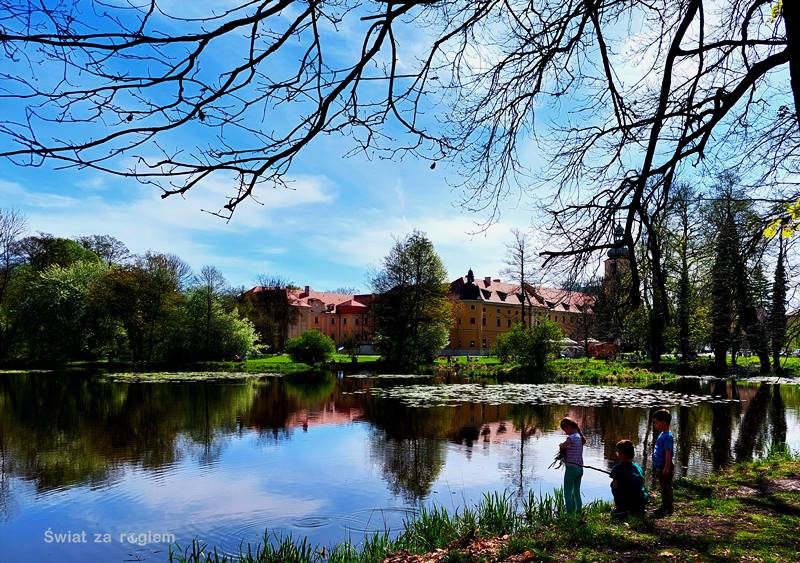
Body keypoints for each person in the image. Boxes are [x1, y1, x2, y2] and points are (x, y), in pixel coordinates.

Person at [609, 440, 647, 518]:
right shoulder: (639, 468)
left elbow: (615, 485)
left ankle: (621, 509)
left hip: (626, 503)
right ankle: (636, 509)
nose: (617, 454)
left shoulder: (617, 468)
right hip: (640, 501)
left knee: (612, 485)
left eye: (618, 452)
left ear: (622, 455)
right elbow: (643, 482)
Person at [559, 417, 587, 514]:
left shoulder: (572, 437)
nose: (566, 433)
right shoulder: (579, 436)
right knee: (576, 491)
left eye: (565, 429)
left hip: (571, 469)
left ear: (570, 426)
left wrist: (561, 445)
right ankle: (579, 511)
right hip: (580, 469)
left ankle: (570, 515)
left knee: (567, 492)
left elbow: (563, 446)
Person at [651, 409, 674, 517]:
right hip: (661, 466)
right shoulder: (662, 434)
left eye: (656, 422)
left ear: (663, 422)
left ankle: (668, 507)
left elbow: (668, 453)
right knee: (663, 485)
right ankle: (665, 505)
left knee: (666, 487)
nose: (655, 424)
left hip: (666, 466)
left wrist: (666, 467)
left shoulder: (667, 436)